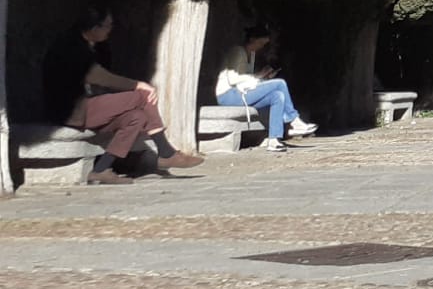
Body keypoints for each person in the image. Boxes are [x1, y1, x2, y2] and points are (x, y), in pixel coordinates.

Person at [43, 9, 204, 183]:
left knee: (136, 117)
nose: (110, 30)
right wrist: (137, 85)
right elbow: (97, 76)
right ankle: (166, 152)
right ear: (94, 27)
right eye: (107, 26)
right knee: (143, 95)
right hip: (71, 110)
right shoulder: (70, 46)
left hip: (88, 107)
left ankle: (101, 170)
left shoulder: (96, 46)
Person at [216, 26, 317, 153]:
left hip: (241, 93)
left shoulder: (251, 55)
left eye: (263, 44)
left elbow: (247, 79)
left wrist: (262, 77)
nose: (261, 47)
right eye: (260, 43)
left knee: (277, 96)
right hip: (228, 95)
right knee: (280, 83)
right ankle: (293, 120)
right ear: (252, 40)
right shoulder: (238, 51)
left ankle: (274, 140)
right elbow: (233, 79)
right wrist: (257, 77)